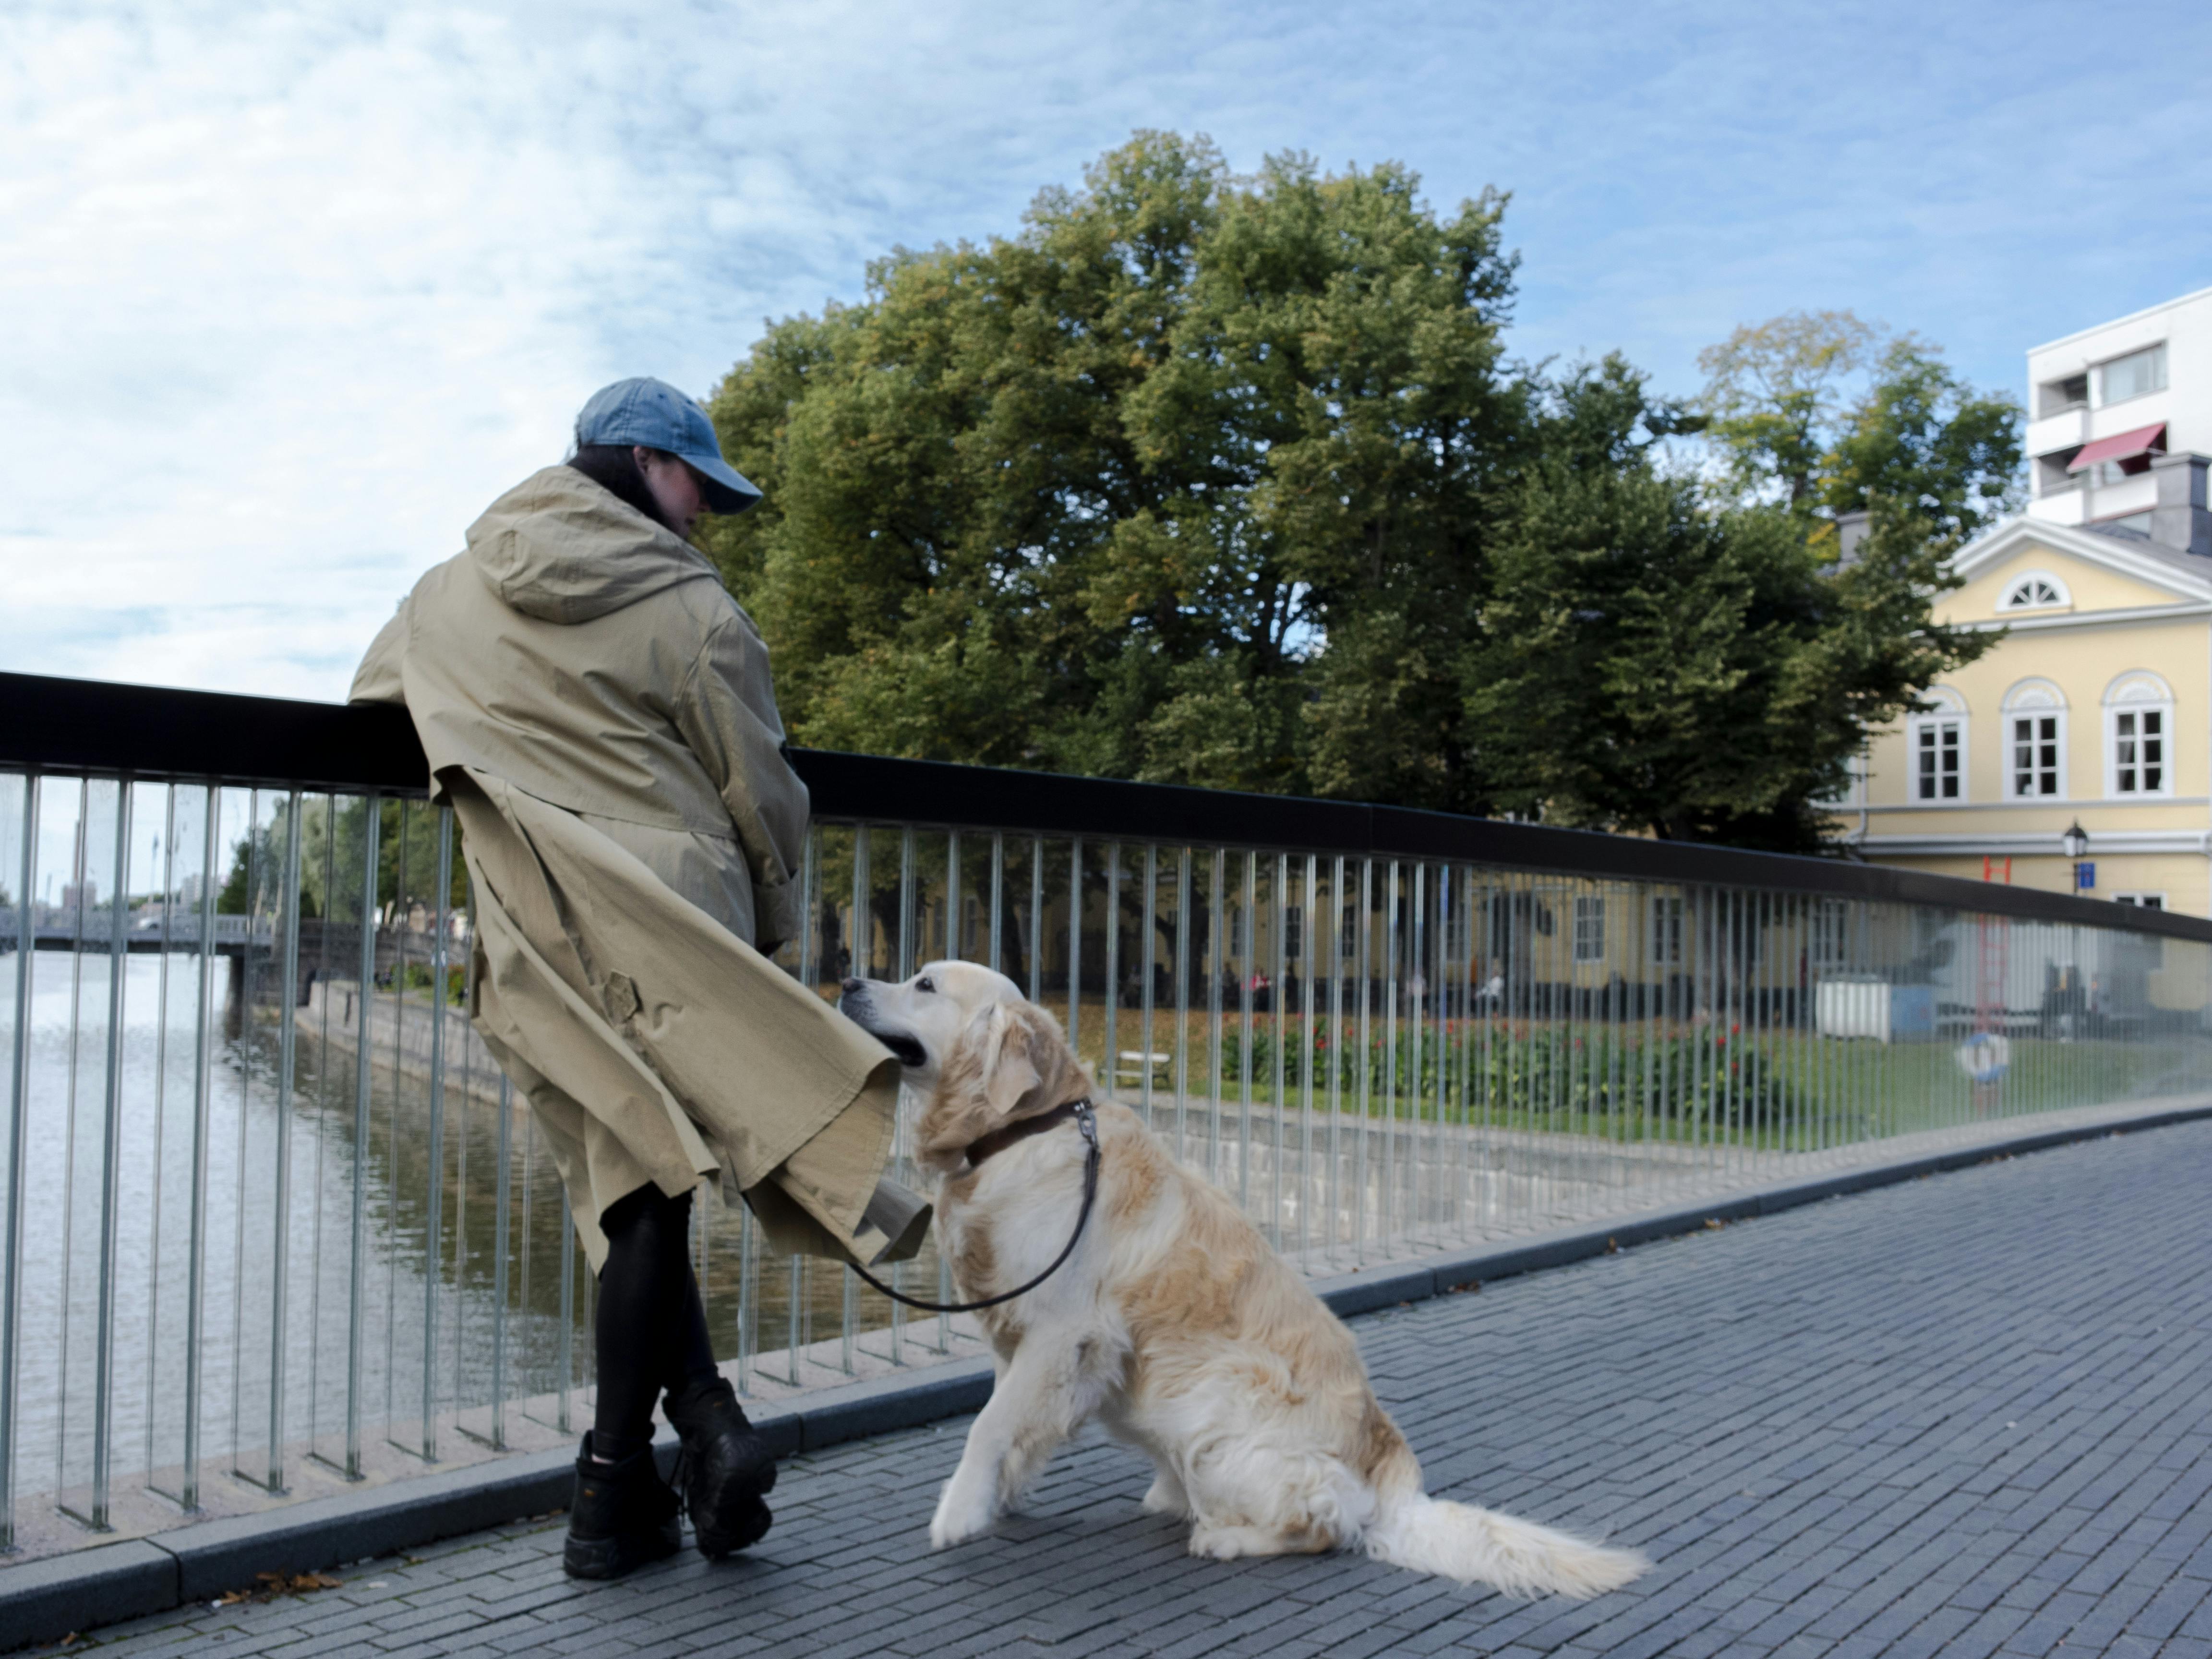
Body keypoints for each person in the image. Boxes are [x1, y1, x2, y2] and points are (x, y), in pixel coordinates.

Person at [350, 377, 929, 1579]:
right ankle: (625, 1483)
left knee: (632, 1179)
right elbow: (762, 791)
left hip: (534, 910)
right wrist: (772, 937)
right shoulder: (693, 607)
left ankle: (672, 1459)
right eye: (695, 485)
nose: (703, 515)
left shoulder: (440, 594)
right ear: (633, 463)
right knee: (657, 1189)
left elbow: (375, 694)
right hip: (673, 916)